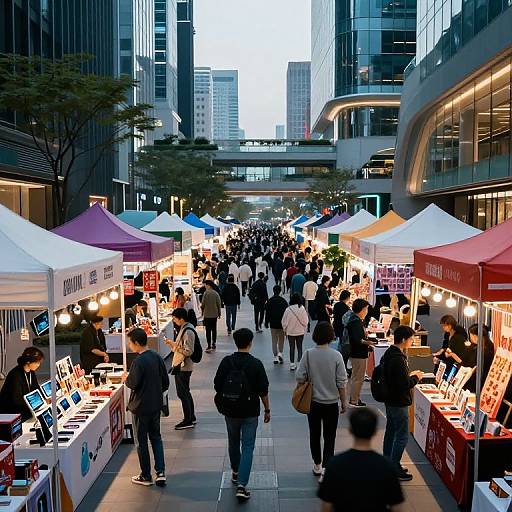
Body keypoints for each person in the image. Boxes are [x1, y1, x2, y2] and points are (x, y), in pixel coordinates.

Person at [214, 328, 271, 501]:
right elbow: (263, 390)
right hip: (250, 411)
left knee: (233, 440)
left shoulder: (226, 362)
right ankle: (242, 484)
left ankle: (235, 471)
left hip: (230, 410)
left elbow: (217, 384)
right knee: (248, 446)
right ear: (250, 343)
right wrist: (267, 409)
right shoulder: (256, 364)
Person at [318, 407, 405, 511]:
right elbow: (396, 506)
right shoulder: (387, 466)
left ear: (350, 430)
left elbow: (326, 506)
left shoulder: (334, 464)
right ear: (375, 431)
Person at [296, 322, 347, 480]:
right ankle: (326, 467)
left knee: (314, 434)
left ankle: (317, 464)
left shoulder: (308, 354)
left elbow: (300, 376)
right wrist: (344, 402)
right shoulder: (336, 355)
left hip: (313, 402)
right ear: (331, 336)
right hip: (331, 404)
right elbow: (342, 382)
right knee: (330, 436)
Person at [123, 328, 169, 487]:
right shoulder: (157, 356)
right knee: (156, 437)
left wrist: (126, 378)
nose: (129, 346)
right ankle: (161, 472)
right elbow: (166, 382)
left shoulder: (138, 362)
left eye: (130, 342)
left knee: (141, 441)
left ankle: (145, 475)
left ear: (136, 343)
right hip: (156, 405)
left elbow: (132, 383)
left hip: (140, 407)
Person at [381, 325, 422, 481]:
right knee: (402, 436)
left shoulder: (389, 354)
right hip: (398, 401)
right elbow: (404, 384)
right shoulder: (398, 359)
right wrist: (416, 377)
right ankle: (394, 466)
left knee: (391, 431)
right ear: (404, 339)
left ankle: (388, 462)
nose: (412, 341)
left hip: (390, 400)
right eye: (411, 339)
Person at [167, 308, 197, 429]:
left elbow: (188, 351)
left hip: (183, 366)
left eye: (174, 318)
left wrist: (174, 346)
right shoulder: (186, 328)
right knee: (185, 392)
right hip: (182, 365)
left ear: (181, 318)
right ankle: (191, 416)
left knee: (182, 393)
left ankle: (188, 419)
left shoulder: (188, 331)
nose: (174, 321)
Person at [0, 347, 44, 422]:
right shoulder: (15, 375)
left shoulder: (31, 372)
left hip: (25, 409)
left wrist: (43, 399)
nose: (38, 365)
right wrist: (32, 405)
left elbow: (36, 388)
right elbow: (16, 399)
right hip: (11, 413)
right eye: (37, 362)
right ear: (28, 362)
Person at [343, 298, 372, 407]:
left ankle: (354, 398)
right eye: (366, 309)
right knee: (358, 378)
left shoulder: (354, 320)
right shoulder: (355, 322)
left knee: (356, 377)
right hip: (358, 353)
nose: (367, 311)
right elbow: (357, 339)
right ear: (362, 309)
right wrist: (368, 342)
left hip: (356, 352)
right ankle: (354, 400)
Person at [464, 324, 495, 393]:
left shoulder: (486, 350)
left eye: (471, 335)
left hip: (479, 382)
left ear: (476, 336)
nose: (470, 338)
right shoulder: (479, 347)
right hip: (476, 379)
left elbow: (479, 367)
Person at [282, 293, 309, 370]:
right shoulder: (302, 309)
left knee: (292, 347)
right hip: (300, 331)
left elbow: (284, 322)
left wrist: (285, 330)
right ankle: (299, 362)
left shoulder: (288, 309)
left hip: (290, 332)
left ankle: (292, 364)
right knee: (299, 347)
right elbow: (305, 321)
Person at [264, 285, 289, 364]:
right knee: (281, 339)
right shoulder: (283, 301)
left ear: (273, 291)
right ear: (280, 291)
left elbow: (267, 313)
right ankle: (280, 353)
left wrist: (266, 322)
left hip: (273, 323)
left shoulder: (270, 301)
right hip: (281, 324)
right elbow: (287, 313)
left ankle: (275, 357)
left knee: (274, 340)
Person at [201, 280, 221, 352]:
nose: (205, 286)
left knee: (208, 330)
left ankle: (209, 345)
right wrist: (219, 313)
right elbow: (219, 304)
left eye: (205, 285)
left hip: (207, 315)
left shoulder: (205, 293)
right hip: (214, 315)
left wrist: (202, 311)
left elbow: (203, 304)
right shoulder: (216, 293)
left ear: (208, 285)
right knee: (214, 329)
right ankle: (214, 343)